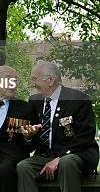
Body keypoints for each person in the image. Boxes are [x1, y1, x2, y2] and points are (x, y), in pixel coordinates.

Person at [17, 60, 99, 192]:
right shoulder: (34, 101)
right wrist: (28, 135)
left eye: (35, 79)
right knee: (23, 166)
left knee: (66, 163)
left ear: (50, 80)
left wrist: (59, 159)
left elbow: (86, 136)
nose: (33, 84)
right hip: (46, 155)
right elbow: (32, 140)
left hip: (77, 153)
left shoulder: (78, 99)